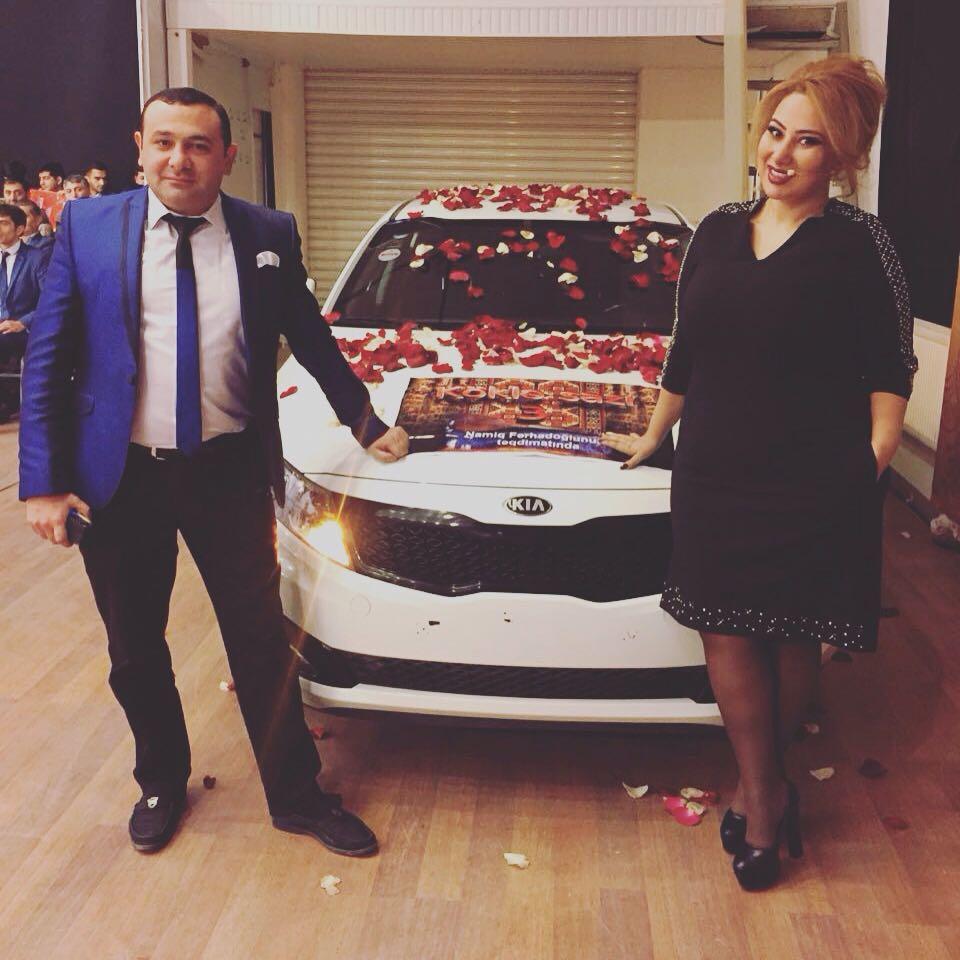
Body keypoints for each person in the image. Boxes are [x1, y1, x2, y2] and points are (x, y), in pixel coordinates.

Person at [20, 86, 409, 856]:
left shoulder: (267, 233)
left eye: (198, 145)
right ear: (139, 148)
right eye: (164, 142)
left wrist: (365, 423)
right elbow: (48, 354)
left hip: (227, 472)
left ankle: (297, 796)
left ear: (227, 156)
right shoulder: (89, 227)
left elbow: (309, 335)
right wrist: (42, 481)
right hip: (119, 476)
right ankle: (161, 781)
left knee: (261, 640)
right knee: (134, 646)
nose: (180, 159)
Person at [602, 56, 916, 891]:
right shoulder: (715, 230)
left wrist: (877, 452)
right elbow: (686, 350)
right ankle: (766, 789)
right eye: (775, 131)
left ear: (840, 157)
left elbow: (892, 360)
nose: (781, 153)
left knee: (791, 634)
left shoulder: (863, 243)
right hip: (715, 468)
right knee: (727, 633)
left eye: (807, 141)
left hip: (815, 472)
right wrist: (654, 434)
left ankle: (762, 799)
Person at [0, 203, 47, 421]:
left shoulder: (37, 257)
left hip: (25, 328)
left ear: (19, 229)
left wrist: (22, 323)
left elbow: (49, 300)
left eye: (3, 223)